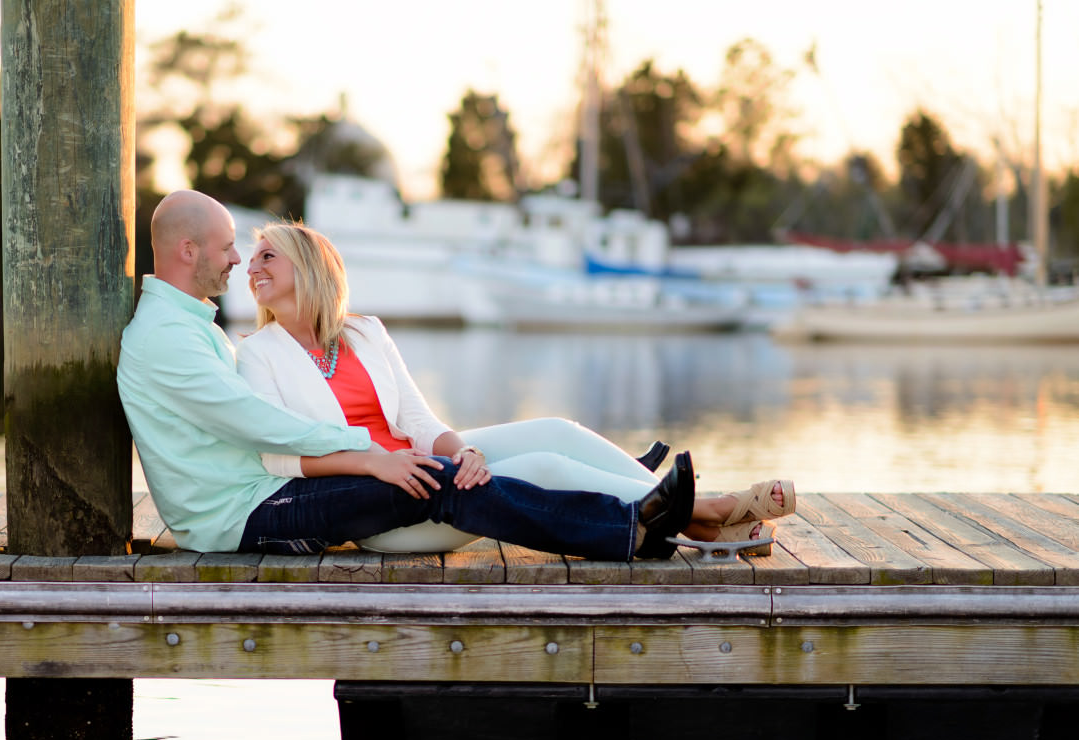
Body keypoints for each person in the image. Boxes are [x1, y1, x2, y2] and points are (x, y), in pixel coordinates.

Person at [117, 189, 714, 562]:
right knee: (441, 481)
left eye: (251, 251)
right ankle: (641, 524)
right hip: (244, 512)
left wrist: (413, 450)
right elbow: (258, 425)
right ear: (189, 250)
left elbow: (410, 418)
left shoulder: (196, 328)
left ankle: (652, 508)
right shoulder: (174, 339)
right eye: (227, 248)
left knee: (496, 452)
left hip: (264, 494)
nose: (239, 261)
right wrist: (373, 454)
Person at [234, 219, 796, 555]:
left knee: (553, 431)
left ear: (308, 266)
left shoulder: (364, 332)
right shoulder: (258, 355)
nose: (251, 266)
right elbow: (276, 457)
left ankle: (697, 520)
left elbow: (420, 421)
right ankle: (713, 511)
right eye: (251, 256)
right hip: (388, 510)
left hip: (432, 466)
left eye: (266, 254)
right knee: (540, 468)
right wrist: (378, 463)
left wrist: (467, 453)